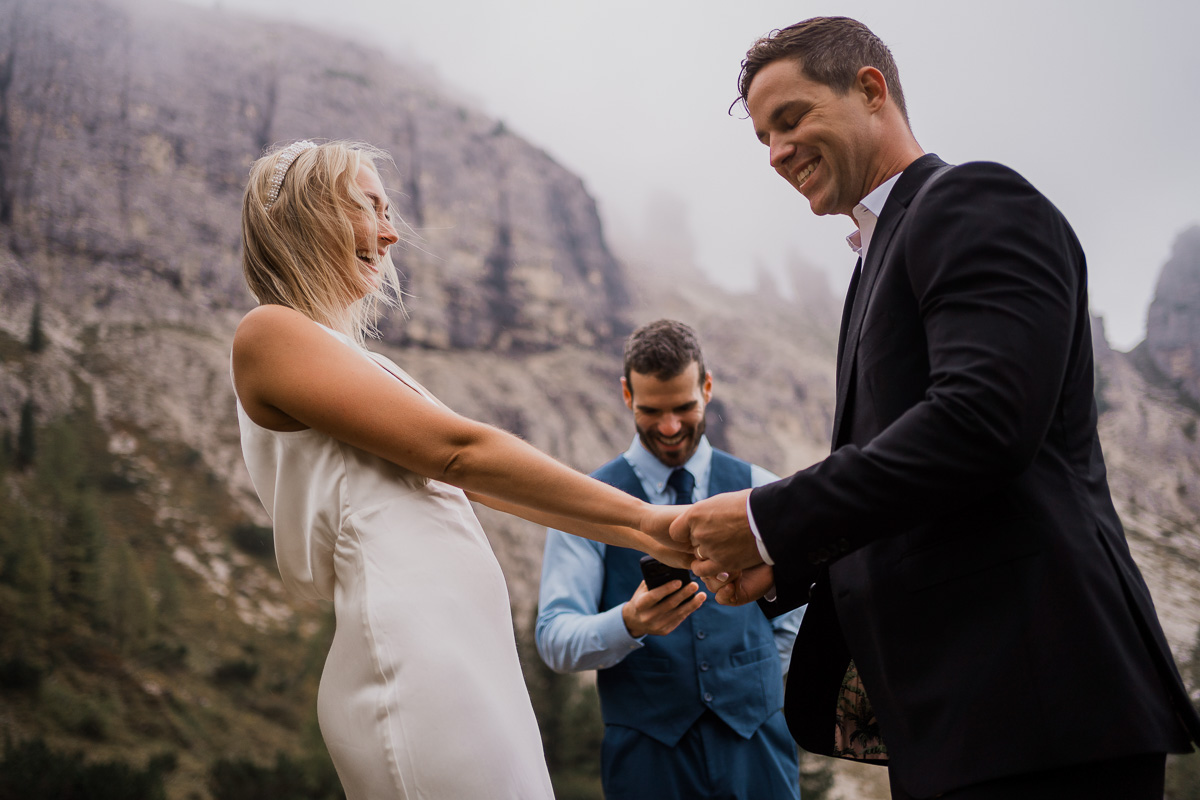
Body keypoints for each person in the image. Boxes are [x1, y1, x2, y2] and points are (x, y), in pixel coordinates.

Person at [666, 16, 1200, 800]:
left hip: (1043, 709)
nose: (777, 153)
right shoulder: (873, 264)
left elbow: (979, 425)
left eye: (791, 119)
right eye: (762, 139)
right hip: (964, 723)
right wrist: (786, 560)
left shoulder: (973, 200)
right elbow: (911, 481)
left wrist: (763, 520)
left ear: (870, 90)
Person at [230, 139, 688, 800]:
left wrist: (644, 532)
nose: (391, 232)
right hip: (413, 656)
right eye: (369, 207)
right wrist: (650, 525)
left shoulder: (337, 356)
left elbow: (482, 479)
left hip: (465, 657)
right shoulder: (268, 333)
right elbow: (462, 454)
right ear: (309, 216)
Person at [535, 319, 804, 800]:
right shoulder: (584, 507)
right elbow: (554, 638)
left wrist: (751, 677)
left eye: (684, 407)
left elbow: (796, 611)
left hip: (757, 747)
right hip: (646, 760)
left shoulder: (760, 488)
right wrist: (628, 622)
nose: (669, 427)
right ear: (625, 394)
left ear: (707, 386)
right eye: (651, 411)